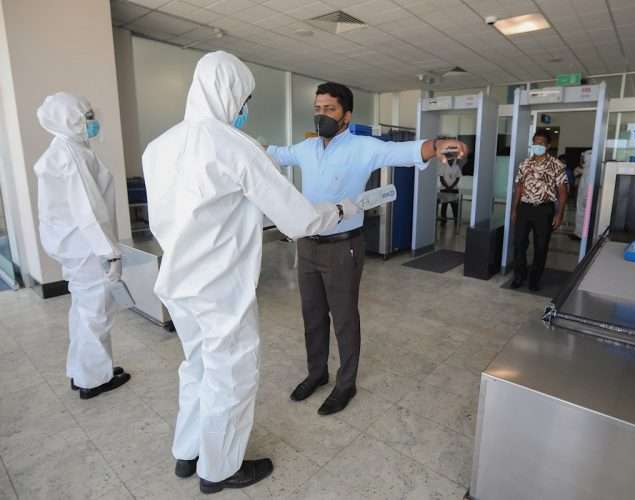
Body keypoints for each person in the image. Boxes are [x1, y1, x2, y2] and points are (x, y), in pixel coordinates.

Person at [142, 52, 360, 494]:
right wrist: (342, 208)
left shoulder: (159, 146)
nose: (245, 108)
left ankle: (188, 452)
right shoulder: (234, 145)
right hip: (221, 287)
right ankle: (220, 469)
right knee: (231, 374)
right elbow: (297, 219)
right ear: (230, 94)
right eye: (246, 98)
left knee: (198, 366)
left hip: (178, 282)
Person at [266, 82, 468, 416]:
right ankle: (317, 373)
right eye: (317, 109)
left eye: (329, 109)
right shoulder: (306, 148)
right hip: (308, 245)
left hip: (343, 247)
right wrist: (241, 145)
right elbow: (275, 154)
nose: (321, 116)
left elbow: (404, 153)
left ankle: (346, 384)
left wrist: (438, 144)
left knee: (344, 318)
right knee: (312, 315)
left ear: (346, 114)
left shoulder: (363, 147)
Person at [34, 92, 131, 400]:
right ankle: (93, 380)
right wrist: (110, 252)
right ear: (69, 119)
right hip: (88, 248)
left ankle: (83, 371)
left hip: (74, 247)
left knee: (82, 311)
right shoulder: (70, 155)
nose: (92, 122)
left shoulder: (66, 149)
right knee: (95, 314)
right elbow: (87, 209)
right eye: (86, 116)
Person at [510, 131, 568, 291]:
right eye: (535, 142)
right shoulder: (524, 164)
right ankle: (519, 276)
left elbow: (563, 191)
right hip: (524, 208)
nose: (538, 146)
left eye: (541, 143)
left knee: (541, 246)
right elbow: (519, 188)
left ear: (548, 146)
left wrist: (559, 213)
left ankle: (534, 279)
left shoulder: (557, 165)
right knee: (519, 244)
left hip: (544, 210)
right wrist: (514, 209)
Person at [573, 149, 592, 240]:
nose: (581, 160)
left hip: (584, 195)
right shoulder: (587, 169)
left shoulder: (587, 170)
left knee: (582, 212)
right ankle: (581, 233)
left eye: (583, 158)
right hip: (584, 194)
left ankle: (580, 233)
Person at [439, 155, 463, 223]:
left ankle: (456, 220)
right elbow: (441, 178)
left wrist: (451, 187)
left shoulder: (457, 167)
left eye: (452, 159)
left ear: (454, 159)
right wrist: (447, 187)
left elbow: (458, 178)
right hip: (444, 189)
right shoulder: (443, 166)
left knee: (455, 206)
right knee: (444, 206)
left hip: (454, 189)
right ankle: (443, 220)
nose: (450, 160)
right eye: (449, 159)